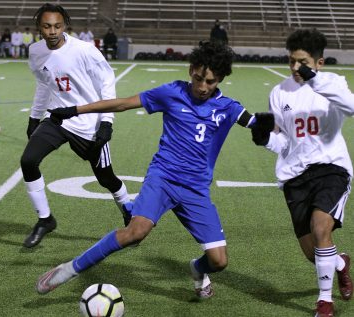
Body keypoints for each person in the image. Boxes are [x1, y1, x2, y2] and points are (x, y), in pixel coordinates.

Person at [36, 41, 269, 298]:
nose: (202, 87)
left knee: (219, 261)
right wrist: (74, 110)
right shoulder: (171, 93)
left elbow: (259, 124)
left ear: (221, 79)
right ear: (191, 69)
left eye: (210, 82)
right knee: (135, 233)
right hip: (163, 178)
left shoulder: (229, 107)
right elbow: (123, 103)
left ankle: (196, 269)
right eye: (198, 78)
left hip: (196, 189)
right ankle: (68, 269)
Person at [251, 28, 353, 317]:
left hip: (331, 168)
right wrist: (266, 139)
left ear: (319, 63)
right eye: (292, 61)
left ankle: (324, 302)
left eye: (303, 62)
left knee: (322, 229)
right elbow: (284, 141)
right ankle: (341, 264)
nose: (296, 68)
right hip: (294, 176)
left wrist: (314, 80)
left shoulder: (333, 82)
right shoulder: (279, 92)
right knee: (314, 252)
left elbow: (352, 107)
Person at [20, 3, 131, 249]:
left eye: (57, 26)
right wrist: (34, 118)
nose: (52, 31)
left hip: (89, 123)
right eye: (47, 26)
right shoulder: (36, 51)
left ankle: (128, 210)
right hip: (58, 118)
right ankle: (45, 219)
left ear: (65, 26)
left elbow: (107, 82)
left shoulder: (84, 50)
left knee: (106, 179)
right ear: (39, 27)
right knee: (28, 161)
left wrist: (107, 122)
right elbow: (44, 85)